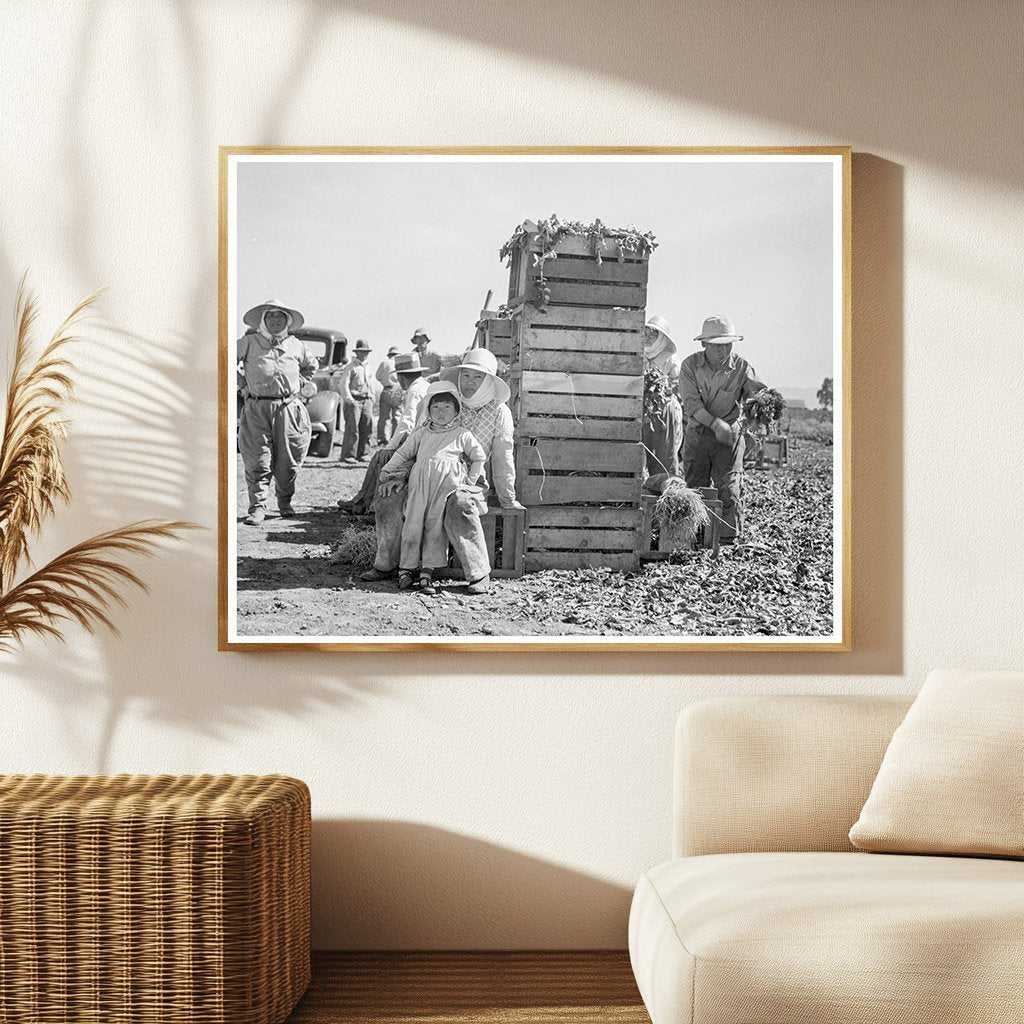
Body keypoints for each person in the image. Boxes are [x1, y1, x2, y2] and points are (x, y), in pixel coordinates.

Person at [360, 348, 523, 594]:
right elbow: (416, 445)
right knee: (388, 498)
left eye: (478, 378)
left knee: (460, 503)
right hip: (424, 476)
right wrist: (400, 476)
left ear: (489, 381)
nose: (470, 383)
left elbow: (503, 457)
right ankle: (387, 564)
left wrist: (507, 497)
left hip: (469, 480)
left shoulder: (500, 411)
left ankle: (478, 572)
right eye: (466, 376)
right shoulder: (444, 400)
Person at [378, 381, 487, 595]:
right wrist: (387, 470)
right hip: (419, 485)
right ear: (428, 410)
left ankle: (427, 571)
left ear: (456, 410)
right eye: (435, 407)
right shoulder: (421, 433)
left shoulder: (462, 434)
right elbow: (403, 453)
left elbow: (479, 457)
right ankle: (405, 568)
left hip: (446, 487)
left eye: (447, 407)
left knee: (435, 526)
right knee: (412, 523)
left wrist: (469, 483)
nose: (441, 412)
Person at [678, 315, 766, 537]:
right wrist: (715, 425)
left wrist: (762, 410)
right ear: (704, 344)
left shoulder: (742, 367)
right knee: (695, 489)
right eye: (717, 345)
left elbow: (758, 395)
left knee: (729, 489)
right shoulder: (690, 366)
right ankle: (696, 539)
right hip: (698, 434)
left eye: (728, 345)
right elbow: (692, 405)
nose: (723, 350)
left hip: (729, 438)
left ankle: (728, 541)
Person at [236, 300, 318, 526]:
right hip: (256, 409)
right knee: (258, 460)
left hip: (288, 409)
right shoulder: (248, 342)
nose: (275, 320)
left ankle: (284, 502)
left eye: (280, 316)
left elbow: (311, 366)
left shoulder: (297, 345)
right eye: (270, 316)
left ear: (287, 321)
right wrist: (242, 385)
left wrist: (299, 382)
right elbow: (223, 361)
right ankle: (257, 507)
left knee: (288, 462)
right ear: (262, 320)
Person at [337, 353, 430, 515]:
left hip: (420, 444)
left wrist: (391, 447)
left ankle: (371, 507)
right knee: (380, 456)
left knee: (382, 458)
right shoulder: (424, 386)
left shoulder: (414, 391)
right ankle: (362, 502)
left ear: (401, 378)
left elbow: (407, 423)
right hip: (425, 440)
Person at [641, 314, 684, 477]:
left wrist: (665, 387)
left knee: (664, 450)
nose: (648, 338)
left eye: (653, 335)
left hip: (664, 411)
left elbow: (678, 384)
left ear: (662, 339)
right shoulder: (638, 356)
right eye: (646, 333)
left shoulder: (670, 359)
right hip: (641, 409)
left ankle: (665, 478)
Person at [338, 339, 374, 463]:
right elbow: (343, 384)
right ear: (357, 352)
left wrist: (371, 397)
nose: (364, 354)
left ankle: (363, 453)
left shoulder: (367, 366)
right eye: (362, 352)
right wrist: (350, 400)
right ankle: (349, 455)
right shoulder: (351, 367)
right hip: (355, 400)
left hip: (366, 399)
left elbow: (370, 383)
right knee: (352, 429)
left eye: (366, 352)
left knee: (367, 427)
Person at [375, 345, 401, 445]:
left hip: (386, 390)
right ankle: (395, 439)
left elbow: (378, 377)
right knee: (397, 416)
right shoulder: (400, 364)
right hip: (397, 390)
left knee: (384, 417)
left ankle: (383, 439)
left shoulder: (384, 363)